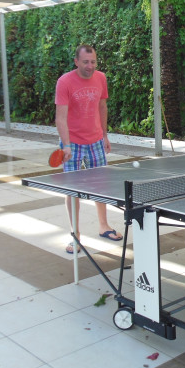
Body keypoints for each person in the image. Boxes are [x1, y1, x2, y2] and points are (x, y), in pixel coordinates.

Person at [55, 44, 123, 253]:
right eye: (85, 62)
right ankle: (75, 235)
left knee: (100, 185)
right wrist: (66, 145)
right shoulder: (65, 82)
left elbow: (102, 107)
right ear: (76, 61)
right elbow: (60, 117)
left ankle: (104, 226)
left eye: (93, 62)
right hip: (73, 143)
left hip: (95, 141)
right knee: (72, 190)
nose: (90, 66)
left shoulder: (100, 78)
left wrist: (105, 135)